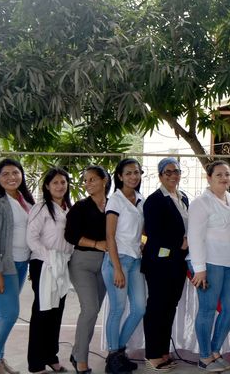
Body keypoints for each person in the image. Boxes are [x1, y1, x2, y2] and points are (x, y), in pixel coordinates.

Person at [187, 161, 230, 373]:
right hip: (209, 263)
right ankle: (204, 356)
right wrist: (199, 268)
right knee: (208, 309)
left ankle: (215, 350)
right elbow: (195, 236)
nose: (224, 178)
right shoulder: (200, 203)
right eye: (218, 174)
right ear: (208, 178)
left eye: (227, 174)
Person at [0, 159, 35, 374]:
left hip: (21, 264)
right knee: (10, 314)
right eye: (5, 174)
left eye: (15, 172)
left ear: (21, 175)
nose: (11, 177)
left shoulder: (24, 199)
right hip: (3, 267)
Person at [141, 158, 190, 370]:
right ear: (160, 175)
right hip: (159, 263)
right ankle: (152, 353)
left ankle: (163, 350)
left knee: (169, 307)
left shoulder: (183, 197)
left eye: (176, 171)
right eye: (167, 172)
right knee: (157, 307)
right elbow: (154, 233)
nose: (172, 175)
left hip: (178, 263)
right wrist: (181, 242)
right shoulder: (154, 201)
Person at [25, 168, 74, 374]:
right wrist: (49, 258)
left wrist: (63, 260)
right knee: (42, 311)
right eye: (55, 183)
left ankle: (51, 356)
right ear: (47, 186)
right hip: (43, 263)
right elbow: (31, 238)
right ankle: (36, 363)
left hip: (62, 264)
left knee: (56, 312)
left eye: (63, 182)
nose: (60, 186)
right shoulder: (41, 208)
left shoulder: (69, 209)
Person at [64, 165, 110, 374]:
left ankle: (77, 353)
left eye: (92, 179)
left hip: (106, 265)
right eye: (85, 180)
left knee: (93, 312)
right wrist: (96, 244)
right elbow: (70, 235)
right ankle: (81, 359)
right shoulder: (80, 207)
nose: (87, 183)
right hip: (82, 263)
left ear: (104, 180)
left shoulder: (113, 204)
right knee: (90, 309)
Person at [102, 159, 146, 373]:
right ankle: (113, 357)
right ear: (119, 176)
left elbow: (142, 232)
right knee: (118, 309)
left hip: (136, 260)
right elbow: (110, 236)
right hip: (117, 260)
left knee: (139, 308)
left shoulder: (140, 199)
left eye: (136, 172)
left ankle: (118, 352)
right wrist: (117, 268)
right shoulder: (115, 201)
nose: (133, 177)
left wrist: (143, 243)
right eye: (128, 173)